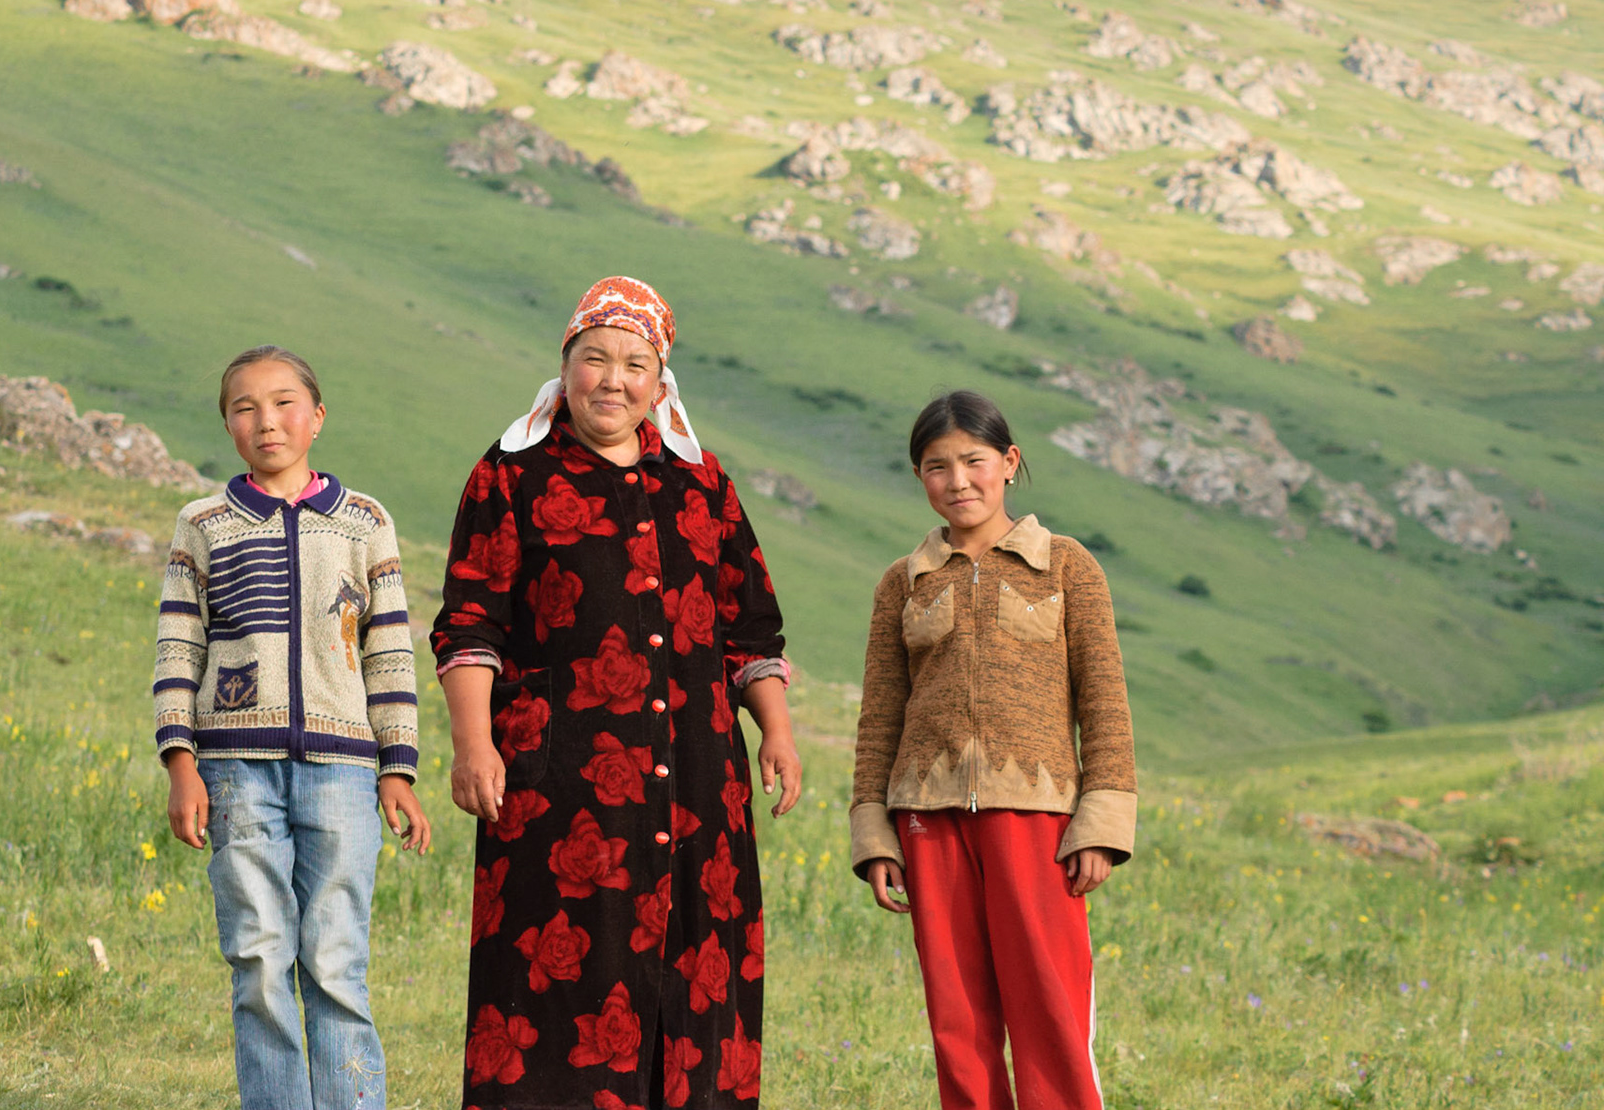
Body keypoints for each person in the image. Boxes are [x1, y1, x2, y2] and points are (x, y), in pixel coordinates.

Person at [434, 276, 800, 1109]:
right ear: (564, 368)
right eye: (594, 358)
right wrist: (473, 743)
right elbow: (469, 624)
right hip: (558, 791)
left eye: (634, 364)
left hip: (702, 791)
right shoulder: (510, 476)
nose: (613, 379)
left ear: (660, 383)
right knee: (555, 989)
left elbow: (753, 630)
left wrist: (775, 732)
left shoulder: (704, 486)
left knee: (696, 987)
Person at [152, 344, 431, 1110]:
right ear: (227, 424)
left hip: (344, 773)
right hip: (235, 771)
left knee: (336, 961)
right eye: (244, 407)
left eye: (282, 403)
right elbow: (180, 646)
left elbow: (390, 651)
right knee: (258, 954)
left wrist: (397, 769)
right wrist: (180, 759)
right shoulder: (202, 523)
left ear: (317, 416)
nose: (265, 421)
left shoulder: (365, 522)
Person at [849, 389, 1135, 1110]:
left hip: (1037, 819)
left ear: (1008, 463)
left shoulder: (1068, 568)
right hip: (926, 820)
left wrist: (1099, 824)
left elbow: (1104, 705)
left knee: (1050, 1010)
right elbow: (880, 717)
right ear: (920, 478)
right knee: (957, 1020)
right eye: (937, 467)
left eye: (974, 461)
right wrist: (874, 832)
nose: (958, 481)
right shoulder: (901, 583)